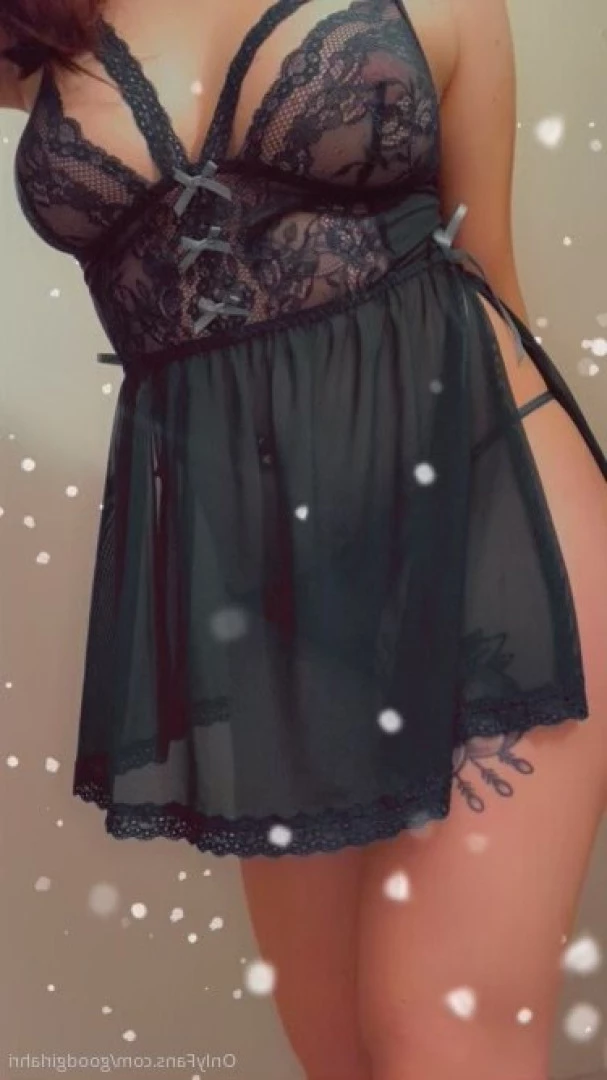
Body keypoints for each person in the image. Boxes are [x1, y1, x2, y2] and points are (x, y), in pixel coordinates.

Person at [2, 1, 607, 1077]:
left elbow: (489, 274)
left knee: (439, 1033)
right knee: (336, 1048)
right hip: (260, 586)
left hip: (489, 521)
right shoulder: (33, 28)